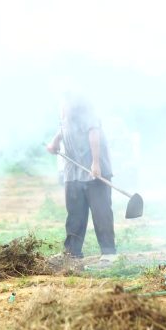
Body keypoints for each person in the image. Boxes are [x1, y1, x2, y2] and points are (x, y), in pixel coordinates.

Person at [46, 95, 117, 263]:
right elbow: (64, 129)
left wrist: (96, 163)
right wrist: (55, 142)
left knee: (101, 212)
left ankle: (109, 253)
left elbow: (94, 134)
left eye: (64, 102)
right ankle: (72, 253)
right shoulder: (66, 116)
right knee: (75, 214)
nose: (61, 106)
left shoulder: (87, 113)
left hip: (94, 170)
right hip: (73, 172)